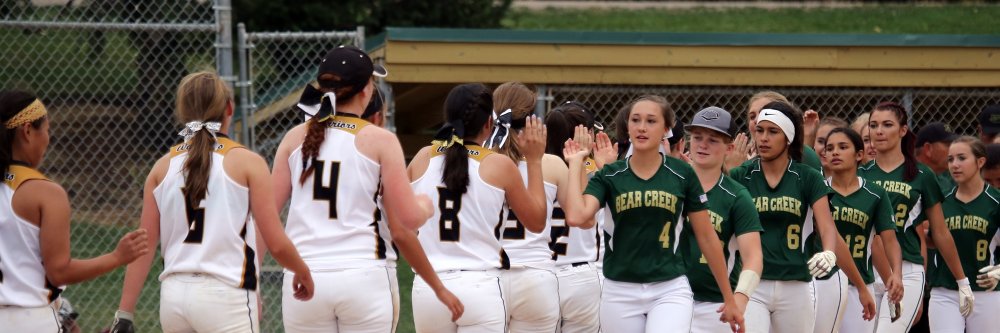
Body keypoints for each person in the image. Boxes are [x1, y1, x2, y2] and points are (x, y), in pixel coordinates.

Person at [112, 71, 314, 332]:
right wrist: (302, 271)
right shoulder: (248, 162)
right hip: (225, 293)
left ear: (182, 111)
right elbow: (274, 241)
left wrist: (125, 313)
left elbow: (144, 246)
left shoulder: (161, 167)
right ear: (229, 108)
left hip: (174, 296)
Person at [272, 46, 439, 332]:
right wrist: (424, 205)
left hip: (305, 273)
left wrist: (250, 282)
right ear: (365, 91)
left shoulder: (293, 138)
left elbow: (265, 216)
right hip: (363, 274)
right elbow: (408, 219)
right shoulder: (380, 139)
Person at [562, 95, 744, 333]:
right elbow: (577, 217)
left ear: (666, 129)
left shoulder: (682, 174)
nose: (642, 127)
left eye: (651, 121)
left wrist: (729, 297)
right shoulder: (611, 175)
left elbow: (707, 237)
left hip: (669, 287)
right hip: (620, 289)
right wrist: (576, 162)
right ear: (628, 127)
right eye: (635, 120)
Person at [0, 91, 147, 332]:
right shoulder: (45, 192)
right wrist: (117, 257)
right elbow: (59, 272)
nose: (48, 139)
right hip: (29, 320)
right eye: (46, 129)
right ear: (27, 131)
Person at [408, 83, 549, 333]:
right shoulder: (498, 165)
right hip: (479, 284)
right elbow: (537, 222)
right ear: (488, 124)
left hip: (429, 286)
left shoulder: (423, 157)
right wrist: (535, 161)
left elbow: (398, 218)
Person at [727, 100, 874, 333]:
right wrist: (727, 172)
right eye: (760, 130)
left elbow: (827, 227)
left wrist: (829, 252)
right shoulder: (740, 175)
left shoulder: (807, 177)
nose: (763, 138)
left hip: (796, 285)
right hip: (752, 283)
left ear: (788, 137)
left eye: (773, 131)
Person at [857, 101, 971, 333]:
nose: (879, 131)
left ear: (902, 130)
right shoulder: (859, 174)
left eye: (887, 125)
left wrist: (962, 281)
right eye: (873, 125)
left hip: (906, 269)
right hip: (864, 268)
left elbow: (940, 232)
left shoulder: (921, 174)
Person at [489, 82, 582, 332]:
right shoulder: (551, 164)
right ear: (532, 120)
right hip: (535, 276)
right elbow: (581, 217)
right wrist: (579, 163)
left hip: (488, 276)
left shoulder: (480, 163)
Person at [680, 107, 764, 333]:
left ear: (729, 148)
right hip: (667, 296)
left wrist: (740, 298)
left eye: (713, 140)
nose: (702, 145)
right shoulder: (672, 183)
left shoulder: (736, 196)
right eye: (697, 137)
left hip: (715, 305)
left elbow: (753, 256)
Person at [816, 127, 904, 333]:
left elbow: (886, 241)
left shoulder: (875, 194)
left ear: (859, 155)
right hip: (821, 281)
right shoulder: (817, 190)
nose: (835, 152)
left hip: (859, 284)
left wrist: (895, 276)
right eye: (830, 148)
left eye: (842, 147)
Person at [927, 136, 1000, 332]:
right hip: (945, 290)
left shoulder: (996, 201)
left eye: (961, 158)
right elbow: (932, 240)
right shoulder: (941, 203)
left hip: (985, 290)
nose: (954, 165)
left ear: (980, 162)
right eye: (950, 159)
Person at [545, 100, 605, 333]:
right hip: (580, 274)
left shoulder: (534, 168)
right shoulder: (599, 172)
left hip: (541, 273)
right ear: (585, 135)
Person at [726, 91, 822, 171]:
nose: (757, 120)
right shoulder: (736, 157)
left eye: (766, 113)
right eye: (752, 116)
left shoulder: (804, 155)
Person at [915, 122, 958, 192]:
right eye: (948, 145)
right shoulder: (903, 180)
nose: (955, 150)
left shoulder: (945, 182)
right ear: (928, 149)